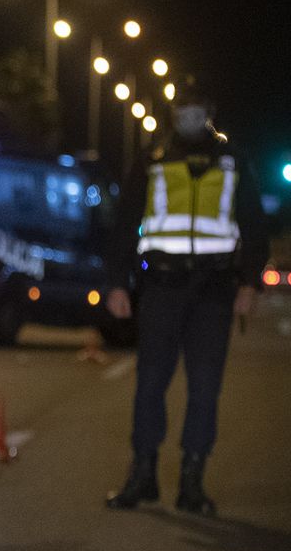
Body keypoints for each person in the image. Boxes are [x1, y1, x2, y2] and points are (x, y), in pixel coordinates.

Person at [103, 88, 268, 516]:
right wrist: (116, 283)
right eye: (181, 110)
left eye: (196, 109)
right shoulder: (152, 159)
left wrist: (251, 283)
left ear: (210, 112)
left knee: (205, 388)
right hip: (161, 286)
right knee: (150, 383)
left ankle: (192, 482)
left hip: (214, 289)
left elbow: (254, 224)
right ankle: (142, 475)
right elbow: (125, 222)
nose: (187, 116)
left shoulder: (234, 162)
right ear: (172, 113)